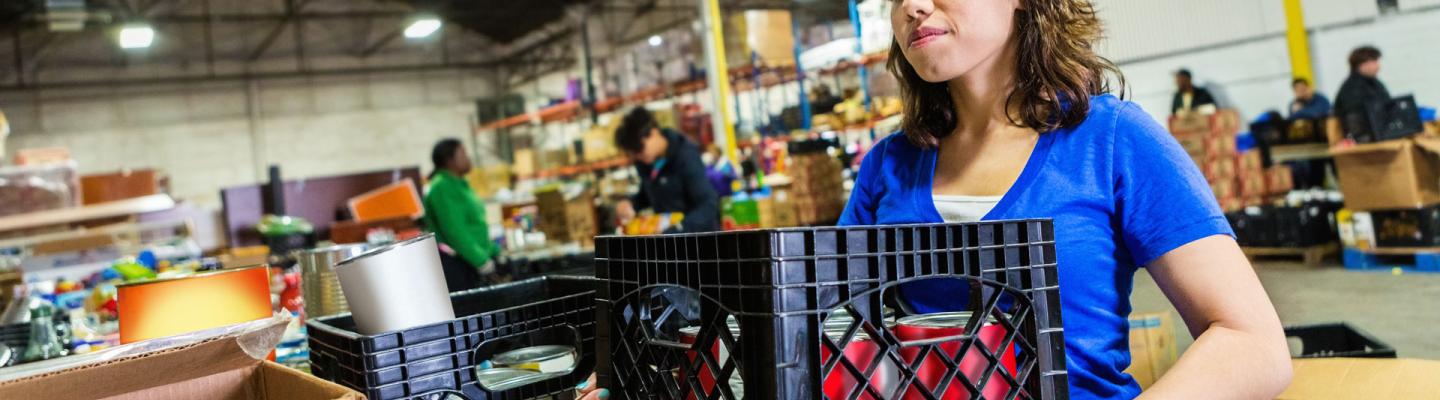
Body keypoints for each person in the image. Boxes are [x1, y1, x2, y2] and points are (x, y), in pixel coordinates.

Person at [842, 0, 1292, 399]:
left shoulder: (1111, 140)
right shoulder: (889, 165)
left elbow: (1252, 342)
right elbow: (826, 325)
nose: (912, 7)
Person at [613, 108, 720, 233]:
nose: (639, 156)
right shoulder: (645, 163)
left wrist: (678, 229)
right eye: (634, 154)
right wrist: (630, 204)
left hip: (696, 241)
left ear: (653, 132)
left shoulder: (685, 156)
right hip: (668, 242)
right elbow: (647, 195)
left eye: (640, 150)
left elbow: (708, 206)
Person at [422, 138, 500, 293]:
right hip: (460, 264)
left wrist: (493, 250)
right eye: (463, 153)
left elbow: (475, 224)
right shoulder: (442, 187)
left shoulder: (459, 184)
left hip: (473, 260)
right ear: (449, 160)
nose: (468, 158)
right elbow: (455, 231)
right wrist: (481, 261)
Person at [1333, 46, 1390, 117]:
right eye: (1374, 62)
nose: (1378, 66)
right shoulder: (1352, 88)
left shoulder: (1374, 83)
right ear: (1362, 65)